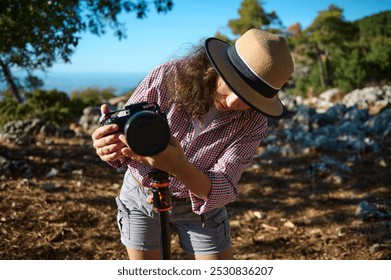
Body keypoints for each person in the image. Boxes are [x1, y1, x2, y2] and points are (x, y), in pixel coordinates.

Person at [92, 29, 294, 260]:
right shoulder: (170, 76)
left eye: (249, 98)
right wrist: (108, 146)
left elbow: (225, 186)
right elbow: (123, 144)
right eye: (233, 84)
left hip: (202, 211)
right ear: (219, 67)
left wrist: (179, 167)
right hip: (140, 196)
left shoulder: (254, 123)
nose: (233, 101)